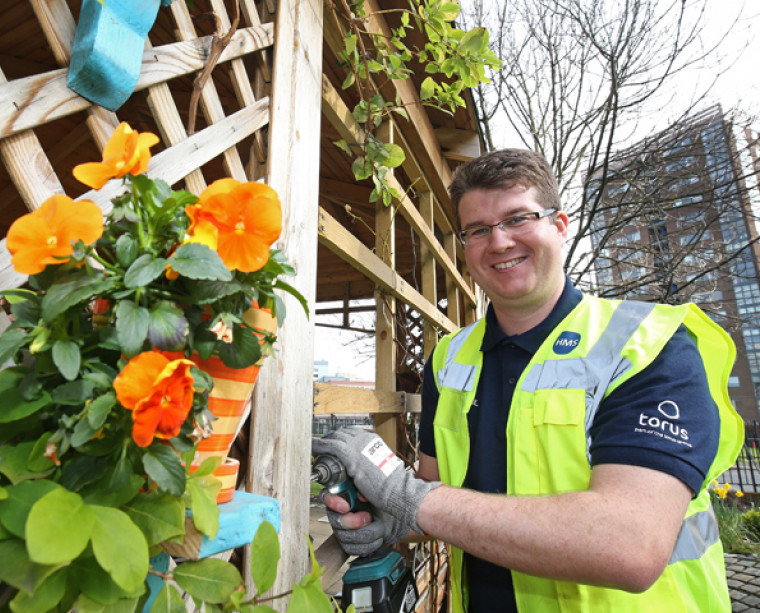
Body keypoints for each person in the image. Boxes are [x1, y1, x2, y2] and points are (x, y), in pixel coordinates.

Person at [312, 149, 744, 612]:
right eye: (478, 230)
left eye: (518, 219)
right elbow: (436, 493)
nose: (498, 242)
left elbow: (630, 544)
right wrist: (395, 517)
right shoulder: (449, 360)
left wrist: (408, 498)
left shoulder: (647, 346)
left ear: (559, 226)